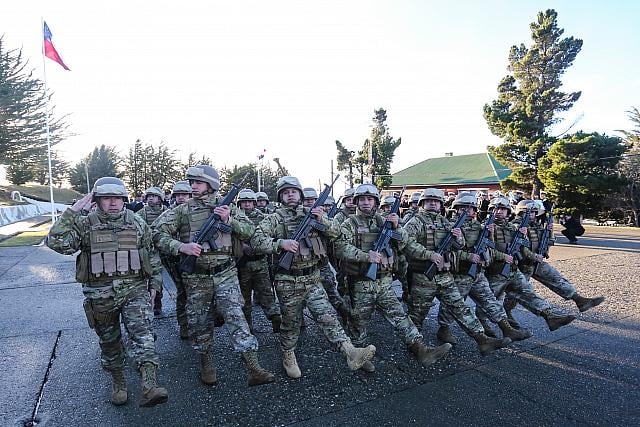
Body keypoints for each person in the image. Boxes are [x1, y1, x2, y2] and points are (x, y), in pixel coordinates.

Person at [46, 177, 168, 407]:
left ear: (124, 200)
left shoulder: (137, 223)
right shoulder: (84, 224)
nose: (112, 203)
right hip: (100, 294)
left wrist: (155, 284)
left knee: (144, 335)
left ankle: (149, 386)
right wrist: (73, 211)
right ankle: (119, 382)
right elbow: (57, 243)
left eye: (117, 198)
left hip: (135, 289)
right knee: (109, 341)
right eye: (106, 198)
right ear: (97, 201)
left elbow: (151, 254)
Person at [152, 165, 275, 387]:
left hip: (226, 273)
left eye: (197, 182)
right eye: (192, 183)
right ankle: (206, 365)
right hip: (196, 278)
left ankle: (253, 367)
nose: (193, 186)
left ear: (211, 184)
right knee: (201, 323)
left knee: (237, 319)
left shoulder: (226, 207)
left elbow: (250, 232)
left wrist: (229, 221)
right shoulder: (183, 210)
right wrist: (181, 247)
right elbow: (156, 233)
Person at [250, 176, 376, 379]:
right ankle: (288, 353)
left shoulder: (313, 214)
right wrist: (279, 244)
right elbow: (256, 240)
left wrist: (322, 219)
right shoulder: (274, 218)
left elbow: (337, 235)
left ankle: (350, 351)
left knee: (327, 316)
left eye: (294, 191)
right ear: (281, 196)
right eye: (286, 192)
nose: (290, 195)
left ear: (300, 195)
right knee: (290, 323)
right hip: (287, 280)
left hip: (312, 278)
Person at [335, 183, 451, 372]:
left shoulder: (385, 221)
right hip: (360, 284)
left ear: (375, 201)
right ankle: (360, 356)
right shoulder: (350, 223)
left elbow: (407, 245)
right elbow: (340, 248)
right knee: (358, 322)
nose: (365, 203)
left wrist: (398, 227)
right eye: (362, 199)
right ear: (356, 201)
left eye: (369, 199)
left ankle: (420, 349)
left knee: (400, 317)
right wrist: (366, 256)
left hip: (384, 282)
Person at [402, 188, 512, 356]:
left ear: (440, 204)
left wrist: (458, 237)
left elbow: (457, 247)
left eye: (436, 201)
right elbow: (407, 244)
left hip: (445, 275)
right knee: (417, 314)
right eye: (429, 200)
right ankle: (417, 347)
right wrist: (429, 254)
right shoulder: (415, 222)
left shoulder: (445, 222)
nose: (432, 203)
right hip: (423, 276)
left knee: (460, 307)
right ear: (423, 203)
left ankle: (482, 339)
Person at [435, 194, 531, 345]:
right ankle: (444, 329)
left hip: (478, 273)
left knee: (490, 300)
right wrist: (468, 257)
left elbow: (489, 248)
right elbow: (445, 250)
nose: (467, 211)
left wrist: (490, 235)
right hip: (459, 273)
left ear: (475, 210)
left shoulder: (479, 226)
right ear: (456, 209)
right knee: (453, 305)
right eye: (463, 208)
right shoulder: (449, 226)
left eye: (470, 208)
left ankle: (506, 329)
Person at [481, 197, 576, 333]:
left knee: (528, 293)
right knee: (489, 300)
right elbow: (485, 249)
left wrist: (533, 255)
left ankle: (550, 316)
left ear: (508, 212)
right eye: (496, 209)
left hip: (512, 270)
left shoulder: (512, 228)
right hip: (494, 271)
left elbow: (522, 248)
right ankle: (483, 327)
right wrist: (499, 250)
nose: (499, 212)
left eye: (502, 209)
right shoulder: (483, 227)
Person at [508, 201, 604, 315]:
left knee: (555, 278)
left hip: (535, 262)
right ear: (521, 213)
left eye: (534, 212)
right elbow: (520, 247)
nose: (532, 215)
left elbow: (549, 240)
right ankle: (505, 314)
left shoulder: (536, 225)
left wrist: (550, 231)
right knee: (519, 292)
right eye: (529, 212)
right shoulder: (515, 226)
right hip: (522, 264)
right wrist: (534, 256)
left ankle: (579, 300)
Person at [235, 188, 282, 333]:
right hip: (242, 264)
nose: (247, 204)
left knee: (267, 294)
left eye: (249, 201)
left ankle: (276, 319)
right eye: (244, 202)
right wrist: (241, 246)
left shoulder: (263, 217)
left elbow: (270, 235)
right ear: (239, 204)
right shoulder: (234, 218)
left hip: (260, 262)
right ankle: (247, 327)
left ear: (254, 203)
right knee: (244, 298)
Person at [155, 180, 192, 339]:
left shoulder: (194, 211)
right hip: (174, 258)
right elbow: (155, 233)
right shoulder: (169, 214)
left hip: (193, 257)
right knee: (183, 291)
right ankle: (184, 325)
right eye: (178, 195)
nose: (181, 198)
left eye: (185, 194)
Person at [137, 187, 168, 314]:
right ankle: (155, 302)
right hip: (149, 250)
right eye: (149, 196)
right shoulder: (141, 213)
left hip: (166, 249)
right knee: (153, 275)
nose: (150, 198)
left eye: (154, 196)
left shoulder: (168, 212)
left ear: (160, 198)